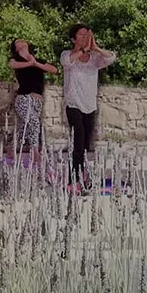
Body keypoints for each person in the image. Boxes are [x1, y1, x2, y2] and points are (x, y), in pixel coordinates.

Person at [60, 24, 116, 187]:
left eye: (87, 35)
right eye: (81, 35)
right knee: (77, 141)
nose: (85, 37)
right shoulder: (67, 55)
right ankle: (73, 178)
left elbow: (111, 58)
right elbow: (66, 62)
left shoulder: (94, 59)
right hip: (73, 104)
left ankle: (83, 174)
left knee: (85, 144)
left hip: (90, 105)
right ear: (73, 39)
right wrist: (83, 50)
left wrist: (95, 47)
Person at [9, 39, 57, 153]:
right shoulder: (16, 60)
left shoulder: (37, 60)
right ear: (16, 48)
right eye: (18, 41)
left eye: (22, 40)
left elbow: (54, 69)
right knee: (34, 122)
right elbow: (12, 65)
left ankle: (11, 149)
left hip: (37, 100)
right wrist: (30, 63)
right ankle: (35, 152)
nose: (21, 41)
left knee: (24, 128)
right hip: (24, 98)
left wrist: (36, 63)